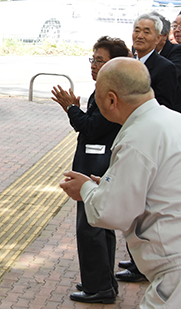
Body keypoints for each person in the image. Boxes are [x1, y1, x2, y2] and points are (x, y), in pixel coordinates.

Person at [60, 57, 181, 309]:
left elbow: (113, 212)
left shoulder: (138, 137)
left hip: (173, 268)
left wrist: (85, 189)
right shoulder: (171, 120)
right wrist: (106, 185)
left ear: (112, 99)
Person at [51, 36, 130, 304]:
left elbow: (92, 129)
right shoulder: (107, 88)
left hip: (96, 168)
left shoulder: (111, 92)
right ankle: (102, 281)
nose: (94, 65)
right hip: (96, 165)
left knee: (91, 227)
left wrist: (70, 108)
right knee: (99, 225)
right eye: (93, 59)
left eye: (100, 60)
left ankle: (99, 288)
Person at [116, 12, 179, 282]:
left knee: (144, 203)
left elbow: (168, 105)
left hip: (148, 145)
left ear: (159, 38)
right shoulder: (126, 63)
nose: (139, 35)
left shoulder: (164, 68)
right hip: (123, 138)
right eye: (136, 29)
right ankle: (135, 259)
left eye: (146, 32)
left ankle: (144, 264)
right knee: (130, 202)